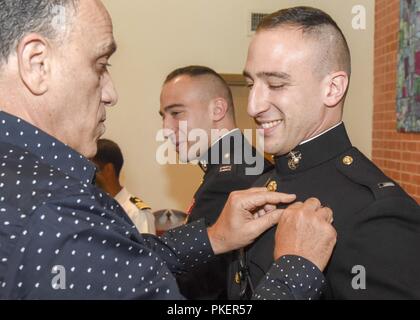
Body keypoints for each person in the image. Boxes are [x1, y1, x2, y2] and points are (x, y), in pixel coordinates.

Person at [0, 0, 336, 300]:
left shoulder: (232, 172)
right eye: (100, 66)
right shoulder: (59, 212)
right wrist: (296, 269)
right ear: (36, 63)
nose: (111, 94)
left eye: (176, 113)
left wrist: (214, 236)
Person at [228, 6, 420, 300]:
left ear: (332, 89)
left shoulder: (375, 213)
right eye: (251, 83)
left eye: (276, 84)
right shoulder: (261, 187)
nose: (253, 106)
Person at [160, 66, 272, 299]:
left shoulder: (230, 178)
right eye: (163, 116)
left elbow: (198, 284)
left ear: (217, 109)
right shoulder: (239, 164)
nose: (166, 130)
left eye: (177, 113)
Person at [92, 138, 156, 235]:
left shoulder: (136, 212)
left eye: (93, 169)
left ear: (108, 169)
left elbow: (145, 249)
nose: (89, 174)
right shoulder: (94, 206)